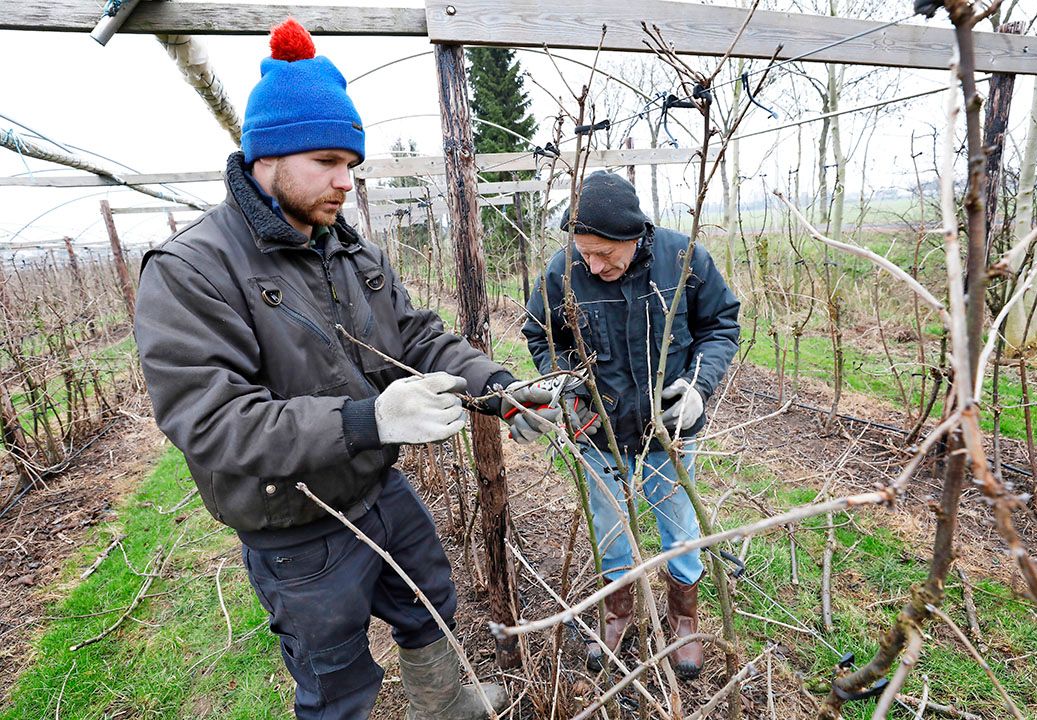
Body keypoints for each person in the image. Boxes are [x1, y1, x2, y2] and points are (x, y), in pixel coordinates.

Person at [134, 19, 551, 720]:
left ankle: (445, 704)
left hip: (375, 485)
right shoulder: (191, 270)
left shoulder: (347, 251)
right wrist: (369, 417)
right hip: (295, 521)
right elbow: (210, 421)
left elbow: (414, 336)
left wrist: (499, 388)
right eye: (328, 160)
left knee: (429, 603)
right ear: (268, 156)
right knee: (336, 680)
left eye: (351, 163)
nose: (345, 181)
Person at [522, 171, 741, 679]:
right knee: (609, 526)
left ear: (633, 234)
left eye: (602, 253)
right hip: (597, 431)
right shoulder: (563, 271)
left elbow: (720, 323)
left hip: (667, 431)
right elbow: (541, 335)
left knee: (680, 525)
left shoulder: (683, 258)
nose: (592, 265)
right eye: (584, 254)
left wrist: (698, 386)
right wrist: (568, 387)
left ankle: (683, 617)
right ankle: (618, 612)